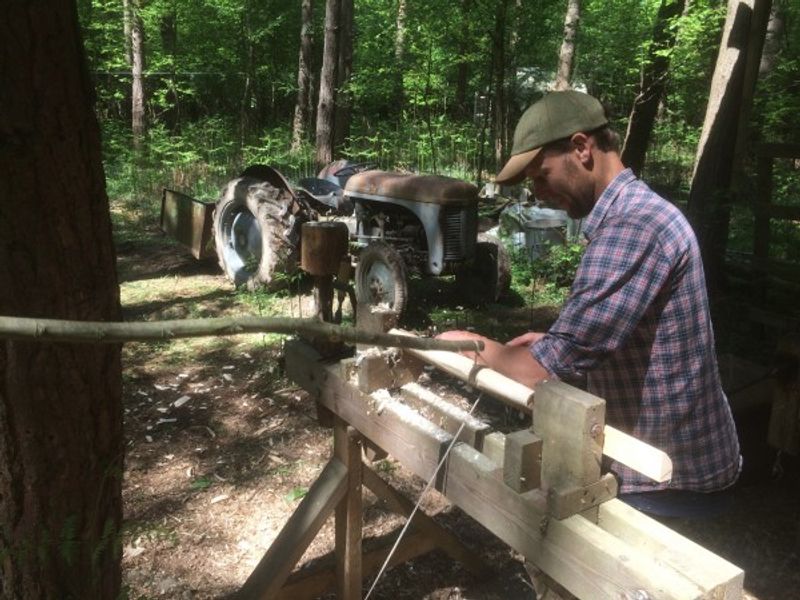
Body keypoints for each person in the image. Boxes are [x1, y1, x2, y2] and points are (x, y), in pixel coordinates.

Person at [440, 91, 741, 505]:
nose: (539, 193)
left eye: (541, 175)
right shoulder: (635, 213)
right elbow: (608, 333)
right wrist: (553, 342)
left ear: (581, 148)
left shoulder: (633, 228)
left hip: (665, 476)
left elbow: (536, 372)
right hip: (663, 462)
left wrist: (469, 345)